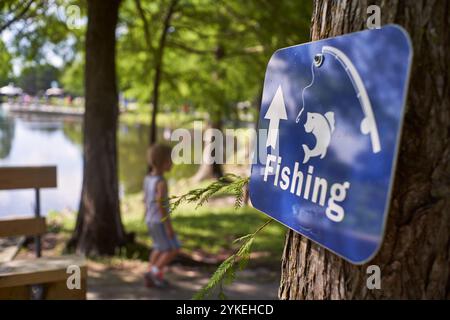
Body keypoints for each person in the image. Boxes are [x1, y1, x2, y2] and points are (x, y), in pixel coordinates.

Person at [143, 144, 180, 288]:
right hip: (160, 221)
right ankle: (153, 273)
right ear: (163, 162)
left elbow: (145, 199)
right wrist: (168, 226)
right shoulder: (161, 182)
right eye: (171, 160)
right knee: (173, 248)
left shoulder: (148, 179)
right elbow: (161, 205)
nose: (172, 163)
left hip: (150, 220)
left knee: (158, 248)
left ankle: (153, 276)